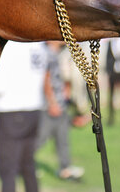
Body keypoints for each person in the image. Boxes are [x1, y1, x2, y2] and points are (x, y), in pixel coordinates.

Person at [0, 41, 47, 192]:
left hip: (12, 110)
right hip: (34, 109)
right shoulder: (38, 45)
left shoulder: (12, 46)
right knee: (28, 167)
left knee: (8, 172)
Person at [36, 41, 84, 180]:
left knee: (63, 138)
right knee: (40, 139)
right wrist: (52, 103)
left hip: (60, 105)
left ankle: (65, 169)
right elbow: (45, 79)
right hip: (49, 106)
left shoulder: (57, 54)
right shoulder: (46, 53)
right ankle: (22, 165)